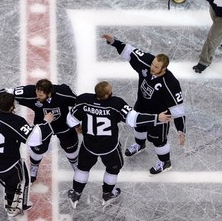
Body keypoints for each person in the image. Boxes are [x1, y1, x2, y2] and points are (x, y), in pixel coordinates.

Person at [66, 81, 172, 209]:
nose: (112, 91)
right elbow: (135, 120)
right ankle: (107, 194)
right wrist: (157, 118)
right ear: (106, 95)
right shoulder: (116, 104)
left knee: (82, 168)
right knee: (113, 169)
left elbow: (70, 119)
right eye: (110, 91)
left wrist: (78, 127)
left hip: (89, 146)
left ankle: (76, 193)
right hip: (110, 148)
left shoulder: (83, 100)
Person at [101, 34, 186, 176]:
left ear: (164, 69)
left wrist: (181, 130)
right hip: (141, 106)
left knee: (160, 141)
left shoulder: (171, 83)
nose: (152, 67)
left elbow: (178, 109)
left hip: (160, 116)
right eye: (153, 64)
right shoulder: (147, 62)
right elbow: (130, 51)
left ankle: (165, 162)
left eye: (156, 67)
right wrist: (114, 41)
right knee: (138, 126)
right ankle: (140, 144)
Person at [0, 93, 54, 217]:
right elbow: (34, 139)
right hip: (4, 162)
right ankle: (12, 206)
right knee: (17, 178)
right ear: (12, 107)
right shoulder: (15, 121)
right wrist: (46, 122)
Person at [0, 79, 79, 182]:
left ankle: (75, 163)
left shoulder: (63, 92)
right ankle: (34, 166)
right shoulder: (30, 92)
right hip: (42, 126)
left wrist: (78, 122)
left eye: (41, 95)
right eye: (37, 93)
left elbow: (78, 104)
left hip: (63, 125)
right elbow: (9, 92)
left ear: (49, 93)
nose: (37, 97)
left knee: (70, 147)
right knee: (38, 148)